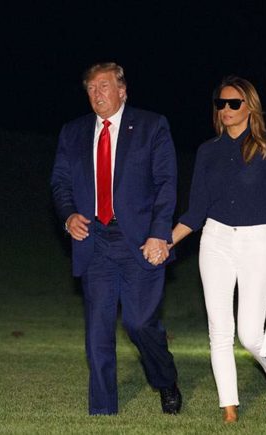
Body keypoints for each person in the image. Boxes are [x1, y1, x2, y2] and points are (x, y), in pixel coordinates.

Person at [51, 62, 182, 415]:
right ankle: (103, 411)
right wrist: (69, 215)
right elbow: (60, 182)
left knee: (139, 323)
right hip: (94, 242)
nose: (97, 94)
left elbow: (166, 183)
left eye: (104, 86)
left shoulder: (151, 126)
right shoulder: (73, 132)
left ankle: (165, 380)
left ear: (122, 91)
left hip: (139, 241)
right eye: (91, 88)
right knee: (97, 333)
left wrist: (159, 234)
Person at [162, 76, 266, 423]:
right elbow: (195, 212)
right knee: (219, 330)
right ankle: (229, 410)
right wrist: (165, 243)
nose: (226, 109)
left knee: (250, 334)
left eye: (234, 103)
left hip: (257, 242)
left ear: (250, 107)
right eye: (221, 103)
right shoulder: (208, 151)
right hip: (215, 240)